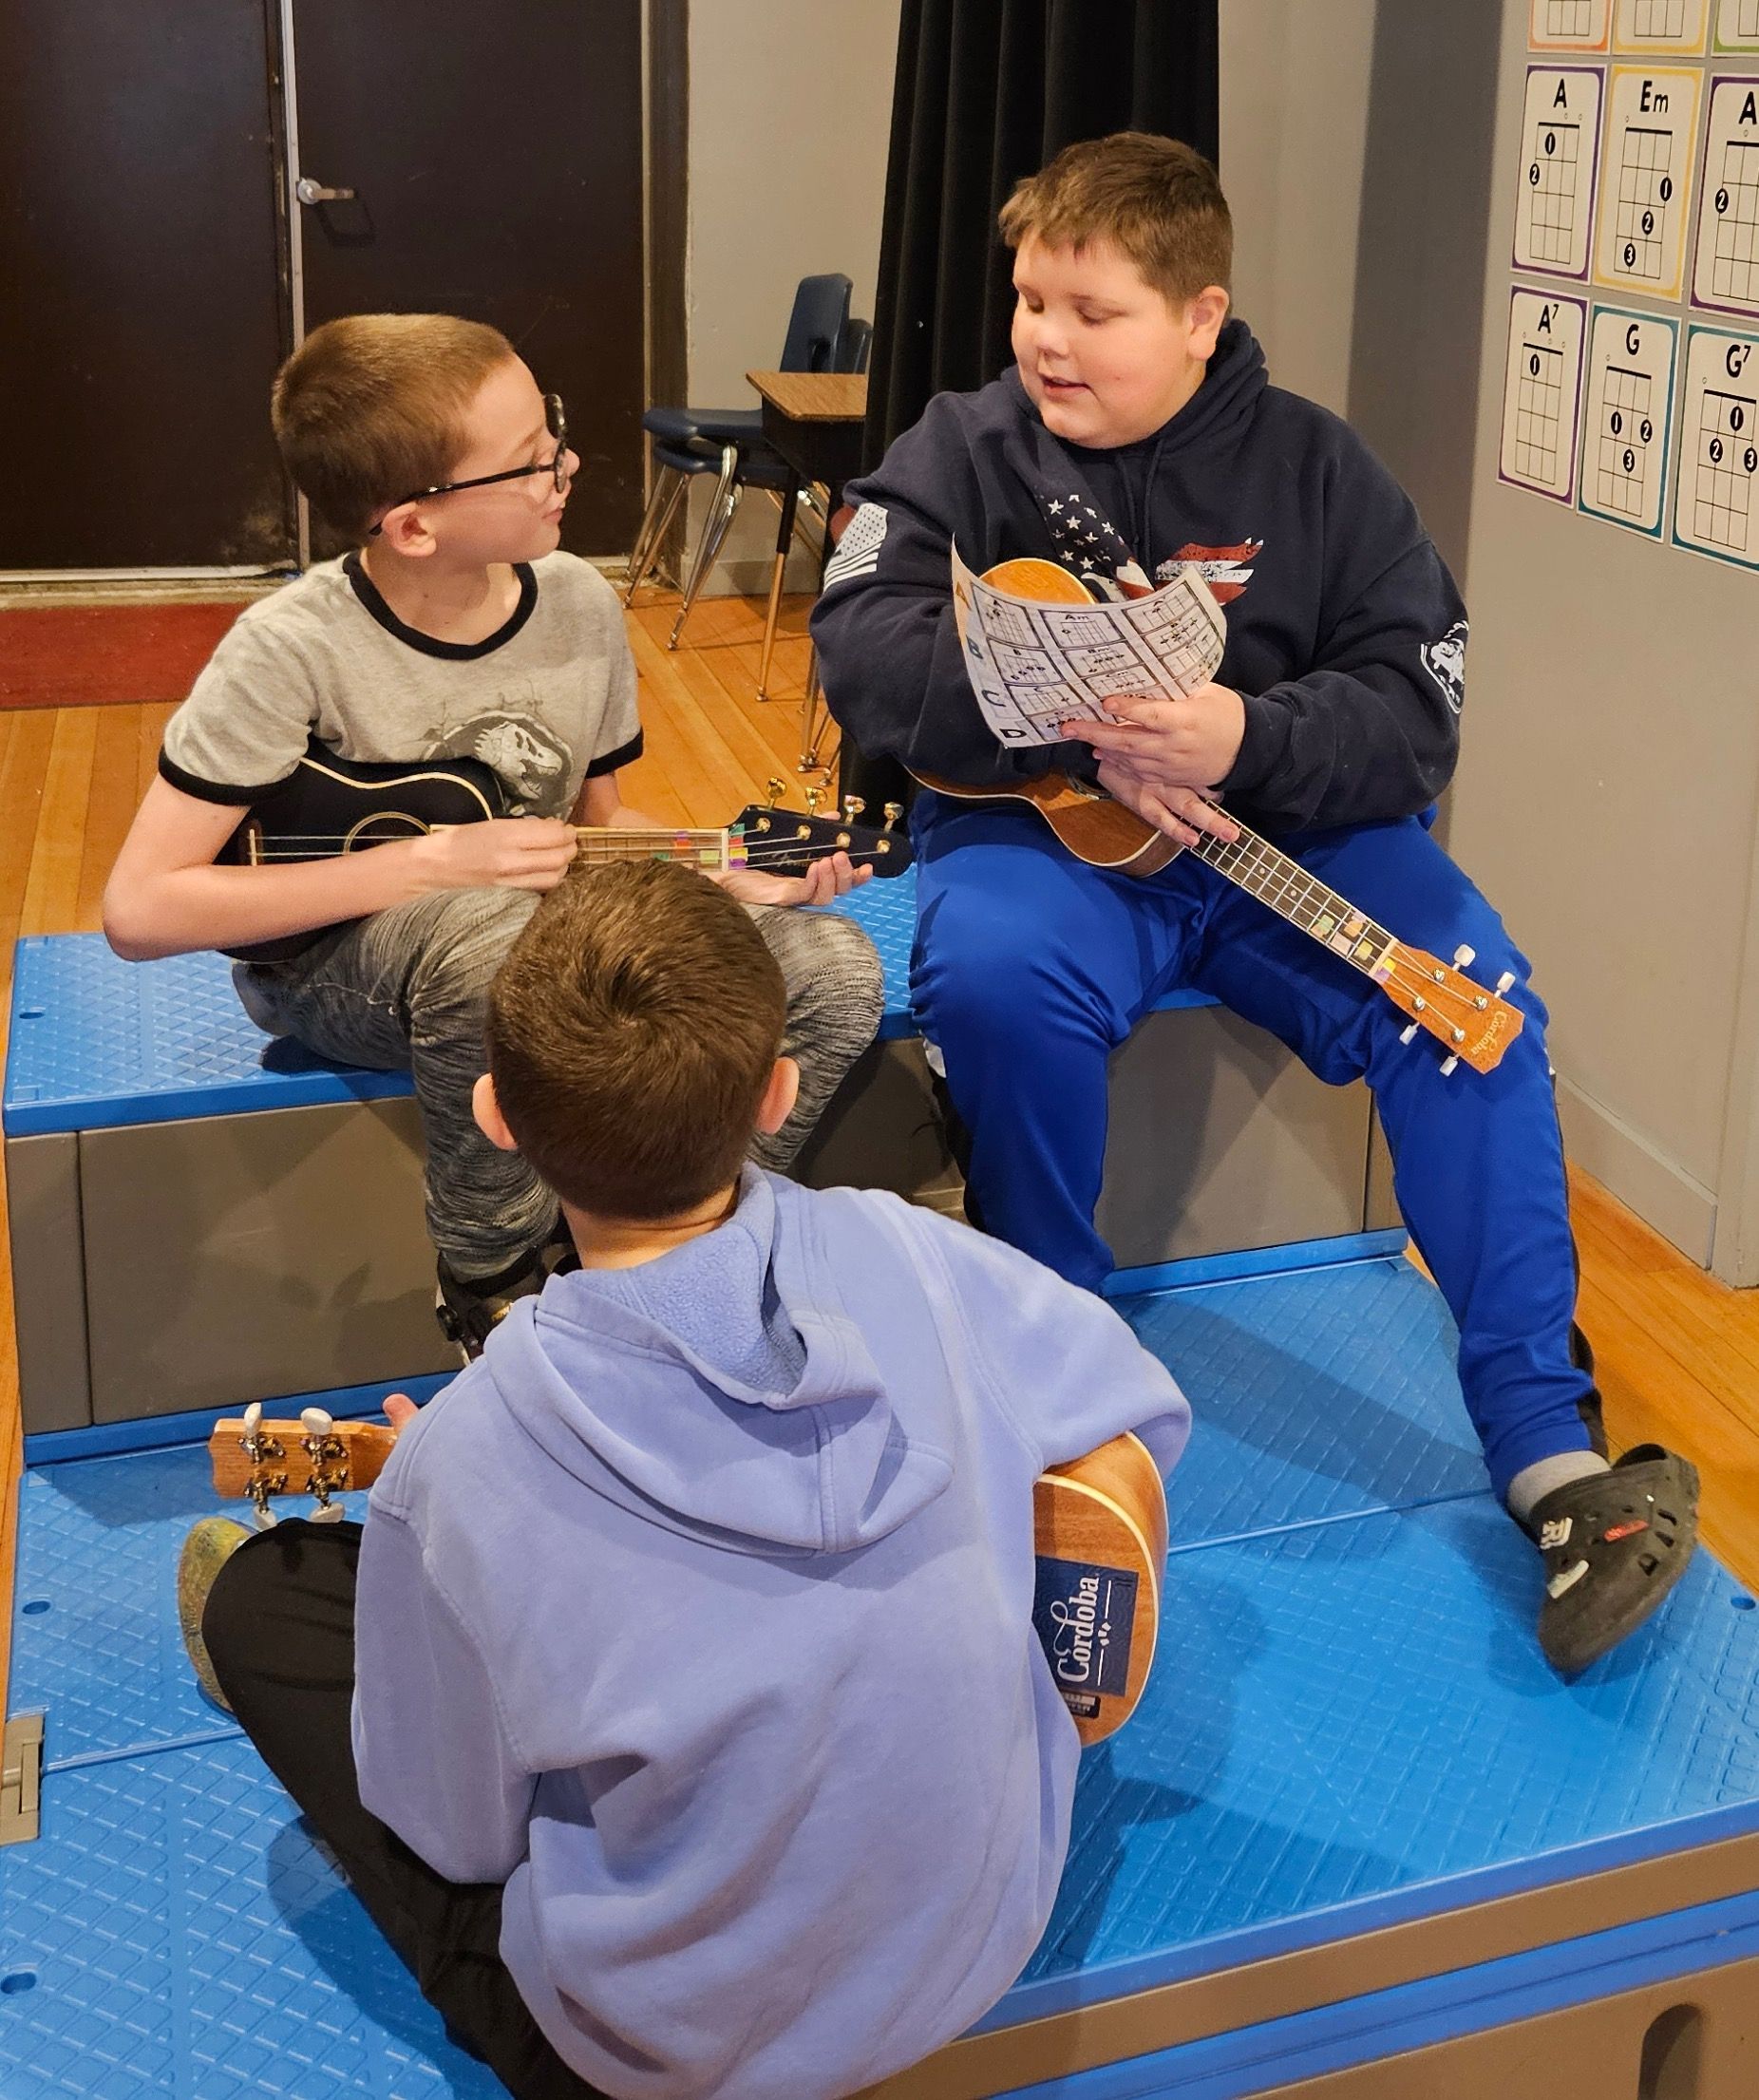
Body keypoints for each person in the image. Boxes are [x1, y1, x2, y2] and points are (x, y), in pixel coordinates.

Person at [810, 132, 1699, 1674]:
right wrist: (1047, 702)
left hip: (1274, 841)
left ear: (1198, 316)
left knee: (1474, 999)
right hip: (1050, 848)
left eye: (1090, 311)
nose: (1044, 339)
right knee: (995, 977)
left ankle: (1551, 1458)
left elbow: (1416, 704)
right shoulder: (959, 448)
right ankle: (1057, 1390)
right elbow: (858, 645)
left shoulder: (1318, 469)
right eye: (1030, 300)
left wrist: (1250, 733)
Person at [181, 859, 1191, 2100]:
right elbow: (1139, 1404)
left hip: (665, 2056)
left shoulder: (464, 1457)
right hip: (977, 1943)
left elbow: (460, 1831)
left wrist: (436, 1523)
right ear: (777, 1093)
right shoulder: (914, 1251)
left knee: (266, 1598)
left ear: (495, 1116)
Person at [102, 312, 884, 1355]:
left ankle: (692, 1242)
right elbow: (142, 908)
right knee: (489, 945)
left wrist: (732, 875)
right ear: (413, 524)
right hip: (337, 967)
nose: (565, 467)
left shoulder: (576, 604)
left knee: (832, 968)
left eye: (551, 433)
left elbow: (599, 829)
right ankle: (492, 1276)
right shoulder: (287, 650)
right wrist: (424, 863)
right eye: (526, 463)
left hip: (527, 927)